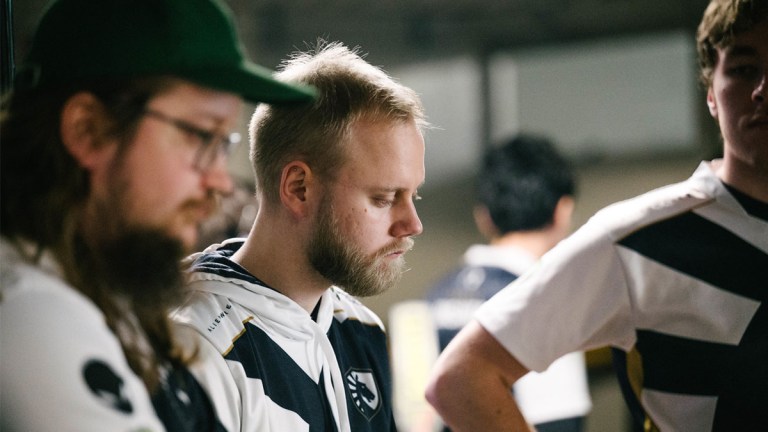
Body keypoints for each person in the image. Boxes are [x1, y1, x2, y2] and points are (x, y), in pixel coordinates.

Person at [425, 0, 768, 430]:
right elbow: (460, 378)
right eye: (742, 68)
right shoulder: (639, 239)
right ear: (711, 95)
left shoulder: (437, 295)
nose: (762, 89)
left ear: (484, 216)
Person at [0, 0, 314, 430]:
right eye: (201, 136)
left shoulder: (99, 295)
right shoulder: (31, 314)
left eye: (224, 144)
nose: (222, 182)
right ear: (87, 130)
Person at [171, 41, 428, 432]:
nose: (413, 224)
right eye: (384, 198)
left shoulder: (362, 329)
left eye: (414, 195)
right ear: (298, 188)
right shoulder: (194, 344)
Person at [418, 134, 591, 432]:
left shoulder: (433, 298)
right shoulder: (545, 303)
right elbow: (559, 423)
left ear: (483, 216)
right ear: (563, 211)